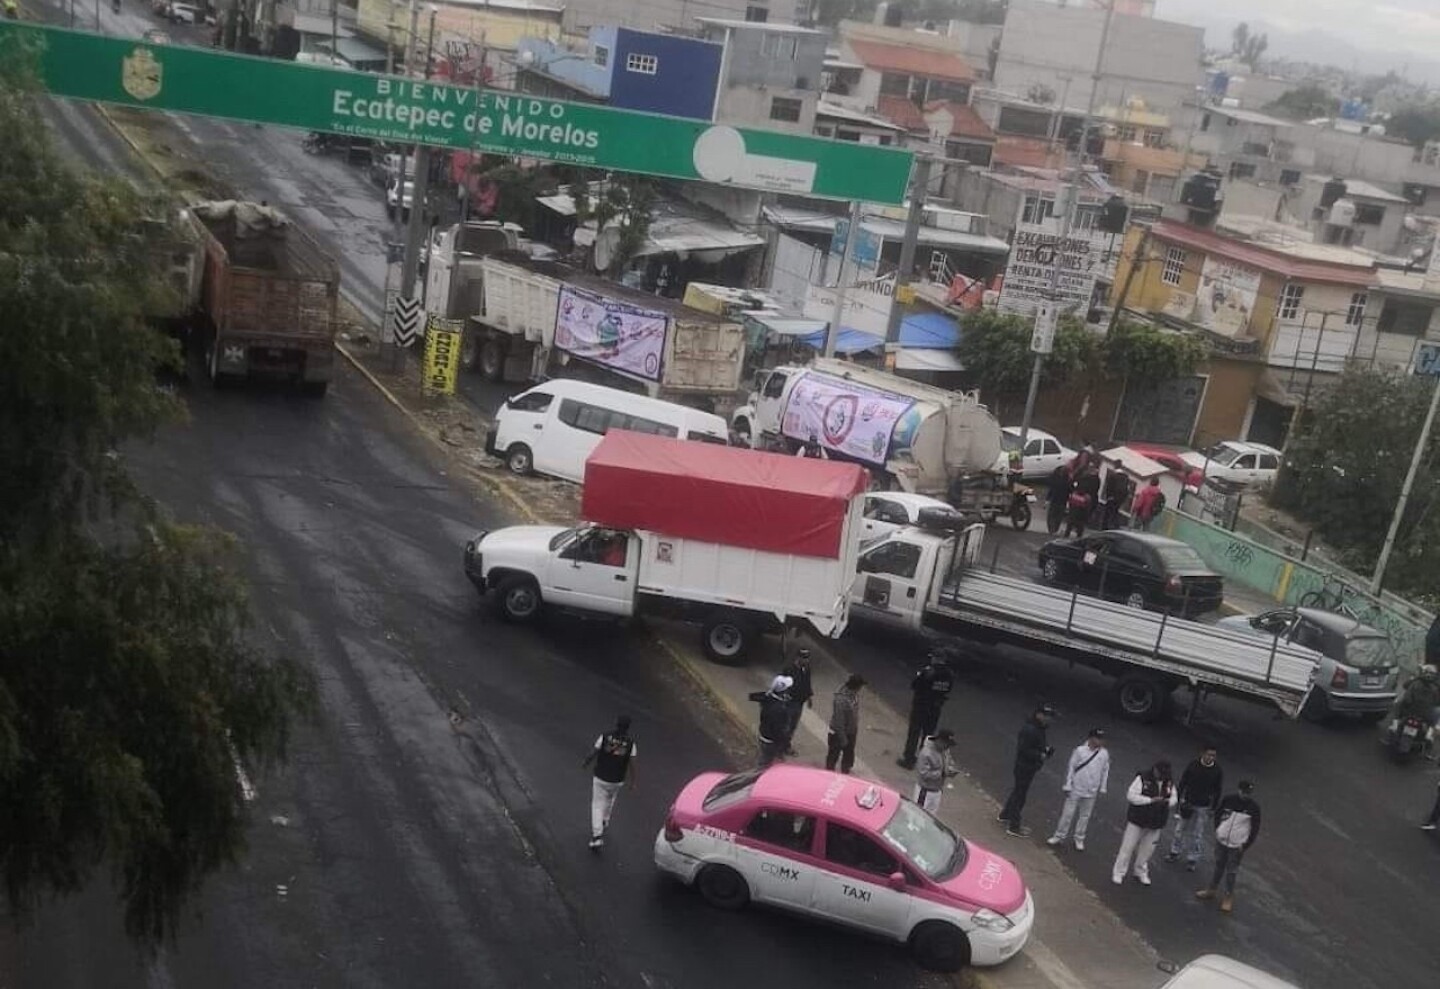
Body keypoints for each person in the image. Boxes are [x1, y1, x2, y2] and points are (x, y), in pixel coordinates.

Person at [1196, 780, 1262, 913]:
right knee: (1218, 866)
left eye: (1248, 793)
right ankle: (1211, 890)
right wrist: (1219, 831)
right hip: (1222, 840)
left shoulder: (1254, 807)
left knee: (1231, 871)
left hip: (1237, 845)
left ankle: (1228, 896)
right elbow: (1218, 814)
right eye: (1244, 792)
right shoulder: (1228, 800)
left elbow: (1255, 829)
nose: (1245, 795)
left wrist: (1245, 845)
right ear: (1239, 790)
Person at [1111, 760, 1175, 886]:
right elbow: (1131, 796)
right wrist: (1150, 800)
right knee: (1127, 847)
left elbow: (1174, 798)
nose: (1161, 776)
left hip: (1156, 823)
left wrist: (1167, 802)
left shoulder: (1169, 782)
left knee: (1147, 850)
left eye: (1164, 774)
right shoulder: (1142, 778)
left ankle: (1140, 871)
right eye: (1160, 773)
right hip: (1138, 819)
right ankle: (1119, 872)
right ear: (1155, 769)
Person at [1047, 728, 1110, 851]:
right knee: (1067, 814)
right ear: (1091, 738)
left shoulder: (1104, 754)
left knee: (1085, 816)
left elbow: (1105, 771)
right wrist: (1068, 785)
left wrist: (1103, 787)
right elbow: (1071, 767)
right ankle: (1059, 836)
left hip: (1091, 790)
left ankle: (1079, 838)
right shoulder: (1079, 751)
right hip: (1076, 788)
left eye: (1102, 739)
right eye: (1098, 738)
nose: (1100, 741)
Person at [998, 704, 1056, 838]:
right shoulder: (1031, 729)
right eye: (1046, 716)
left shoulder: (1039, 728)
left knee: (1018, 791)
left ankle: (1005, 814)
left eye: (1050, 717)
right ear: (1038, 715)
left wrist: (1045, 749)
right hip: (1025, 766)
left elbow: (1036, 745)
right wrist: (1040, 755)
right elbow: (1024, 749)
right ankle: (1014, 826)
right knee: (1020, 795)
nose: (1049, 719)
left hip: (1028, 766)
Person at [581, 715, 636, 851]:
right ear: (628, 727)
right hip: (617, 780)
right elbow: (632, 764)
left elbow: (594, 752)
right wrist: (633, 781)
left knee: (597, 805)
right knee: (610, 798)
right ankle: (605, 819)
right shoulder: (631, 743)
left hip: (601, 776)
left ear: (616, 724)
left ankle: (597, 836)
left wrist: (586, 763)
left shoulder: (605, 736)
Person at [1166, 745, 1224, 871]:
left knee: (1197, 834)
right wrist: (1179, 798)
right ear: (1202, 754)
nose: (1210, 757)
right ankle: (1174, 852)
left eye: (1213, 755)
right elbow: (1183, 782)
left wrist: (1213, 807)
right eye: (1209, 754)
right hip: (1188, 802)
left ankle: (1192, 859)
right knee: (1180, 829)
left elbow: (1218, 790)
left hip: (1203, 806)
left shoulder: (1217, 771)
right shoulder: (1193, 765)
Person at [897, 648, 957, 769]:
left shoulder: (929, 671)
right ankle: (924, 761)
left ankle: (909, 760)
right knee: (928, 736)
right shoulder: (949, 674)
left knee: (914, 733)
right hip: (936, 708)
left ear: (935, 658)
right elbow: (948, 690)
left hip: (921, 706)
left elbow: (915, 685)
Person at [749, 675, 794, 768]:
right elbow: (778, 729)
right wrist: (784, 741)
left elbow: (753, 696)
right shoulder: (779, 709)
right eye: (788, 688)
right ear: (783, 691)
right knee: (765, 764)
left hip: (764, 735)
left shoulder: (769, 699)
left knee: (763, 759)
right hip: (771, 741)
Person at [826, 674, 866, 774]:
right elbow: (839, 722)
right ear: (855, 687)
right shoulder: (841, 700)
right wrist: (843, 739)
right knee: (833, 756)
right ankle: (829, 774)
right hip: (838, 733)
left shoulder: (854, 696)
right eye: (860, 687)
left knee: (848, 757)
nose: (860, 689)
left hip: (851, 731)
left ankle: (845, 772)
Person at [914, 729, 959, 813]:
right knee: (918, 817)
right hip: (925, 792)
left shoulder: (944, 751)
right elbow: (924, 774)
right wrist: (942, 773)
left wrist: (949, 770)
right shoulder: (926, 753)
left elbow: (945, 764)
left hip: (937, 791)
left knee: (930, 820)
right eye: (947, 744)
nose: (948, 747)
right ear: (940, 740)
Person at [780, 648, 815, 756]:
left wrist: (809, 697)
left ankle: (786, 746)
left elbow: (807, 683)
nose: (806, 660)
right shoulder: (789, 670)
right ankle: (778, 748)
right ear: (798, 657)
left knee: (792, 726)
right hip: (789, 702)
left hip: (799, 703)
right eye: (804, 658)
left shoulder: (806, 669)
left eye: (807, 658)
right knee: (785, 726)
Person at [1101, 462, 1132, 530]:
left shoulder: (1113, 475)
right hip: (1119, 499)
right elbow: (1127, 490)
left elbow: (1109, 487)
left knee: (1107, 514)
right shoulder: (1126, 477)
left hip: (1111, 498)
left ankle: (1104, 529)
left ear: (1115, 466)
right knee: (1115, 513)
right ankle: (1115, 528)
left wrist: (1108, 497)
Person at [1046, 464, 1073, 535]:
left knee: (1057, 516)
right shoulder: (1056, 477)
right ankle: (1052, 529)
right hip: (1057, 499)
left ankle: (1053, 529)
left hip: (1060, 499)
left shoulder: (1066, 479)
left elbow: (1071, 489)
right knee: (1054, 515)